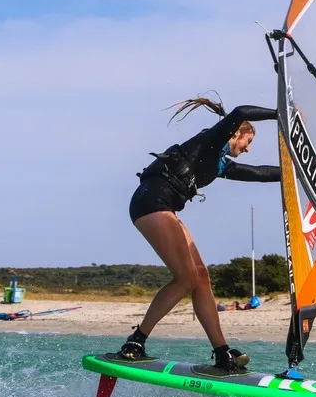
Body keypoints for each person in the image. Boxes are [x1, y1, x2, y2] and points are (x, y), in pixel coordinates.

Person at [120, 96, 280, 372]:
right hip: (151, 203)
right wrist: (280, 114)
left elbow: (259, 173)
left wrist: (296, 173)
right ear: (236, 133)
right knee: (186, 278)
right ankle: (136, 341)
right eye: (248, 141)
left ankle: (222, 351)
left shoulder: (220, 164)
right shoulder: (212, 141)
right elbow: (240, 111)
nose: (248, 149)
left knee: (201, 276)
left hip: (164, 208)